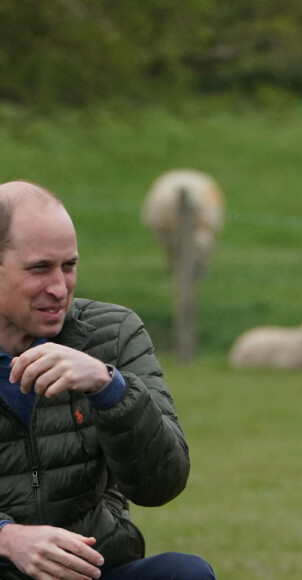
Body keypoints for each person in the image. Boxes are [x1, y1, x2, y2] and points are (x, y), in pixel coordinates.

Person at [0, 180, 216, 580]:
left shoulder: (113, 334)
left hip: (93, 569)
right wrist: (8, 539)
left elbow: (162, 483)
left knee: (184, 573)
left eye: (69, 265)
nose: (59, 287)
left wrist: (109, 388)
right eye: (39, 268)